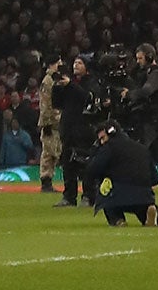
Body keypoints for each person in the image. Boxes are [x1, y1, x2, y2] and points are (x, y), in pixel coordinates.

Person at [86, 124, 158, 227]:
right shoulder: (142, 148)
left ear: (111, 133)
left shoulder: (109, 148)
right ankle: (151, 213)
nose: (101, 142)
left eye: (102, 138)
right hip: (144, 196)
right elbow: (155, 179)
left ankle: (118, 220)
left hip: (118, 195)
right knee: (141, 207)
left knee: (106, 195)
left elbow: (93, 169)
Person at [54, 56, 95, 208]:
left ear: (86, 67)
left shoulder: (91, 82)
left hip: (84, 128)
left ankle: (88, 195)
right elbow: (56, 104)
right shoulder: (68, 82)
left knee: (86, 163)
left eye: (79, 63)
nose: (76, 65)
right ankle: (69, 196)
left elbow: (87, 98)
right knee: (67, 162)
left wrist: (70, 85)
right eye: (74, 62)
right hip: (68, 128)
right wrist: (57, 87)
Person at [39, 58, 63, 192]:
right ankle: (46, 181)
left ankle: (48, 179)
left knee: (54, 151)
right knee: (49, 152)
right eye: (57, 63)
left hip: (57, 121)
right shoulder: (48, 81)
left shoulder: (55, 80)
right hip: (51, 122)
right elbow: (45, 103)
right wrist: (46, 122)